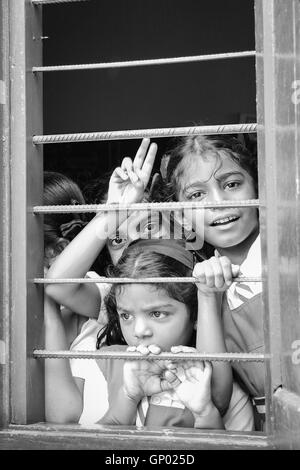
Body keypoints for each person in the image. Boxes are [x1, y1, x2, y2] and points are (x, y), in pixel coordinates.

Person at [161, 134, 271, 429]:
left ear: (259, 187)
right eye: (197, 195)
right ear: (182, 217)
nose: (218, 203)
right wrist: (209, 297)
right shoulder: (199, 282)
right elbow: (217, 398)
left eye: (232, 184)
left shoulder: (288, 250)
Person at [95, 238, 254, 430]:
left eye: (157, 314)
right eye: (126, 315)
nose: (139, 331)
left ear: (195, 315)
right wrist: (128, 397)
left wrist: (205, 414)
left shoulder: (231, 395)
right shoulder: (104, 366)